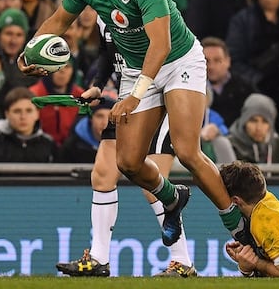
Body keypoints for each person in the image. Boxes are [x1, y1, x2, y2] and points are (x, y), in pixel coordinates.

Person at [21, 0, 251, 253]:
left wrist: (134, 95)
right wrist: (27, 52)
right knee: (128, 163)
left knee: (187, 151)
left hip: (178, 62)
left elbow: (161, 45)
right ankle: (173, 198)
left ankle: (238, 225)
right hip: (135, 67)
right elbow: (59, 21)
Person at [55, 17, 196, 278]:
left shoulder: (145, 2)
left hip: (160, 97)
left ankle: (182, 261)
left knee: (153, 187)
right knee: (102, 175)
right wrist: (97, 85)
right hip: (128, 100)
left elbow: (163, 50)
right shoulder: (101, 13)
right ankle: (98, 259)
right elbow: (107, 53)